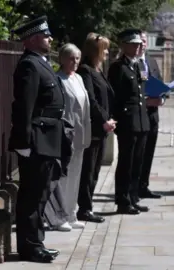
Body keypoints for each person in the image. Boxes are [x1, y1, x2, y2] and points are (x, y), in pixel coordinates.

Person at [9, 16, 70, 263]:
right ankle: (30, 246)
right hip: (37, 140)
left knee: (41, 193)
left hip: (48, 137)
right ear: (33, 39)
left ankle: (36, 241)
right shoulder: (29, 65)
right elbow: (24, 107)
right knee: (32, 195)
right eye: (46, 36)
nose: (50, 39)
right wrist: (23, 143)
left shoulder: (40, 62)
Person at [43, 43, 91, 231]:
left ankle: (72, 213)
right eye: (71, 58)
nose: (75, 61)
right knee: (63, 177)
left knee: (76, 176)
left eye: (77, 58)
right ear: (61, 59)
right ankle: (58, 216)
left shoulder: (78, 78)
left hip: (80, 133)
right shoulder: (58, 79)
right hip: (65, 134)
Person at [108, 28, 150, 214]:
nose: (136, 47)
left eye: (138, 44)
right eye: (133, 44)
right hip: (128, 121)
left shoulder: (136, 65)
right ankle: (123, 200)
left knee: (137, 162)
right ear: (124, 45)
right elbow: (115, 96)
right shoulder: (118, 67)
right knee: (126, 162)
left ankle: (133, 196)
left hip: (140, 120)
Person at [76, 32, 115, 223]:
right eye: (104, 49)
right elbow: (91, 100)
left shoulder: (98, 70)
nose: (107, 52)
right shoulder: (85, 71)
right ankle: (84, 208)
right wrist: (103, 120)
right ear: (95, 51)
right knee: (88, 170)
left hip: (102, 130)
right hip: (93, 129)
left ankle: (87, 206)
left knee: (95, 169)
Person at [137, 30, 163, 199]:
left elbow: (159, 83)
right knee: (138, 152)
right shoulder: (132, 63)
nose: (143, 43)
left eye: (145, 40)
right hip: (139, 113)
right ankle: (134, 187)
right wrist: (146, 101)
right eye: (141, 40)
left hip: (153, 114)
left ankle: (144, 185)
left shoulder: (151, 61)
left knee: (149, 152)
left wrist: (162, 98)